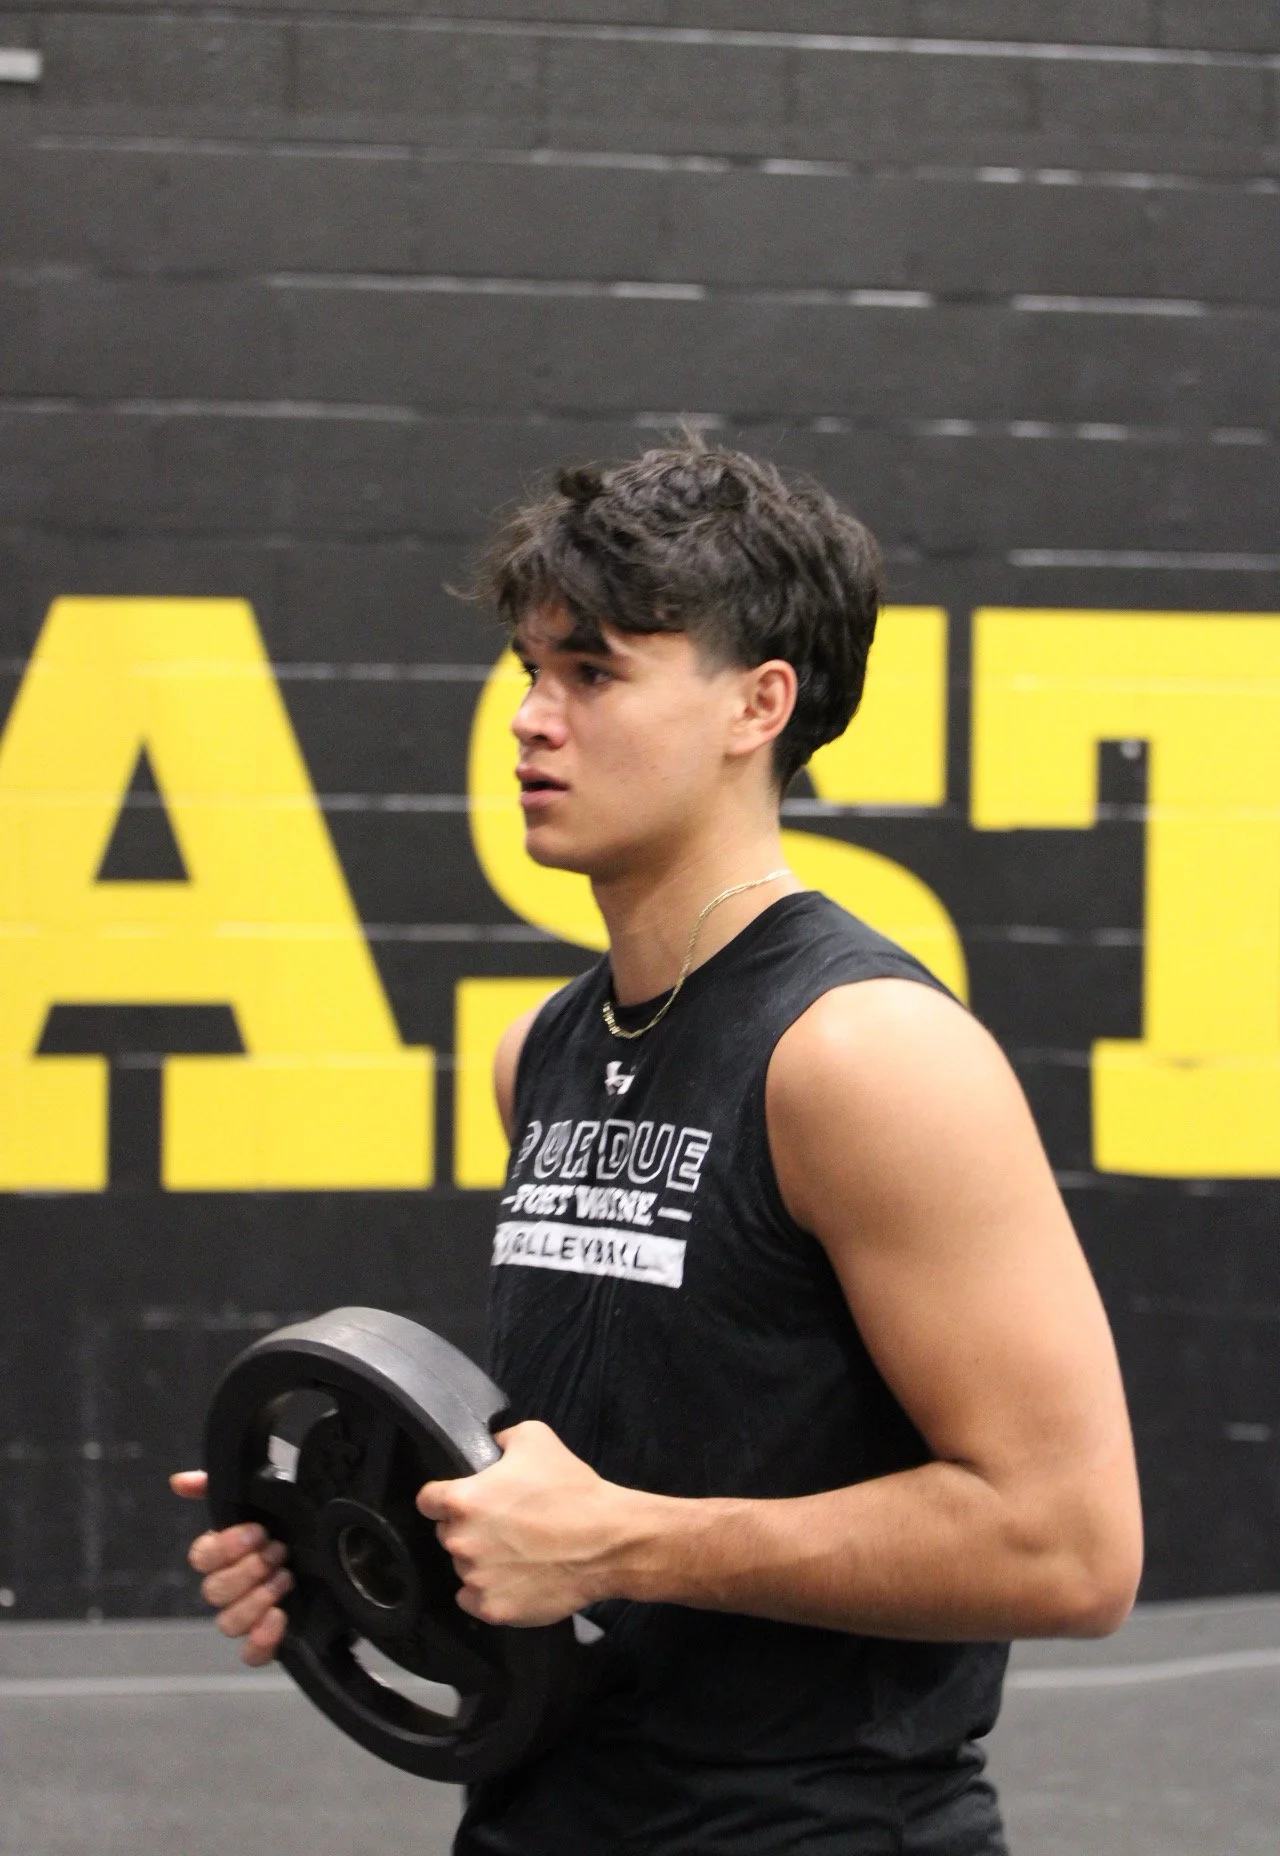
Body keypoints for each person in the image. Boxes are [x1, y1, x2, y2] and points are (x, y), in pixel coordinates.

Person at [173, 440, 1143, 1854]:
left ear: (760, 705)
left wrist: (623, 1539)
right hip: (538, 1818)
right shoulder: (542, 1057)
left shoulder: (863, 1056)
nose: (532, 720)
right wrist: (337, 1544)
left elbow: (1069, 1546)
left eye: (595, 673)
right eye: (529, 671)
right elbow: (607, 1487)